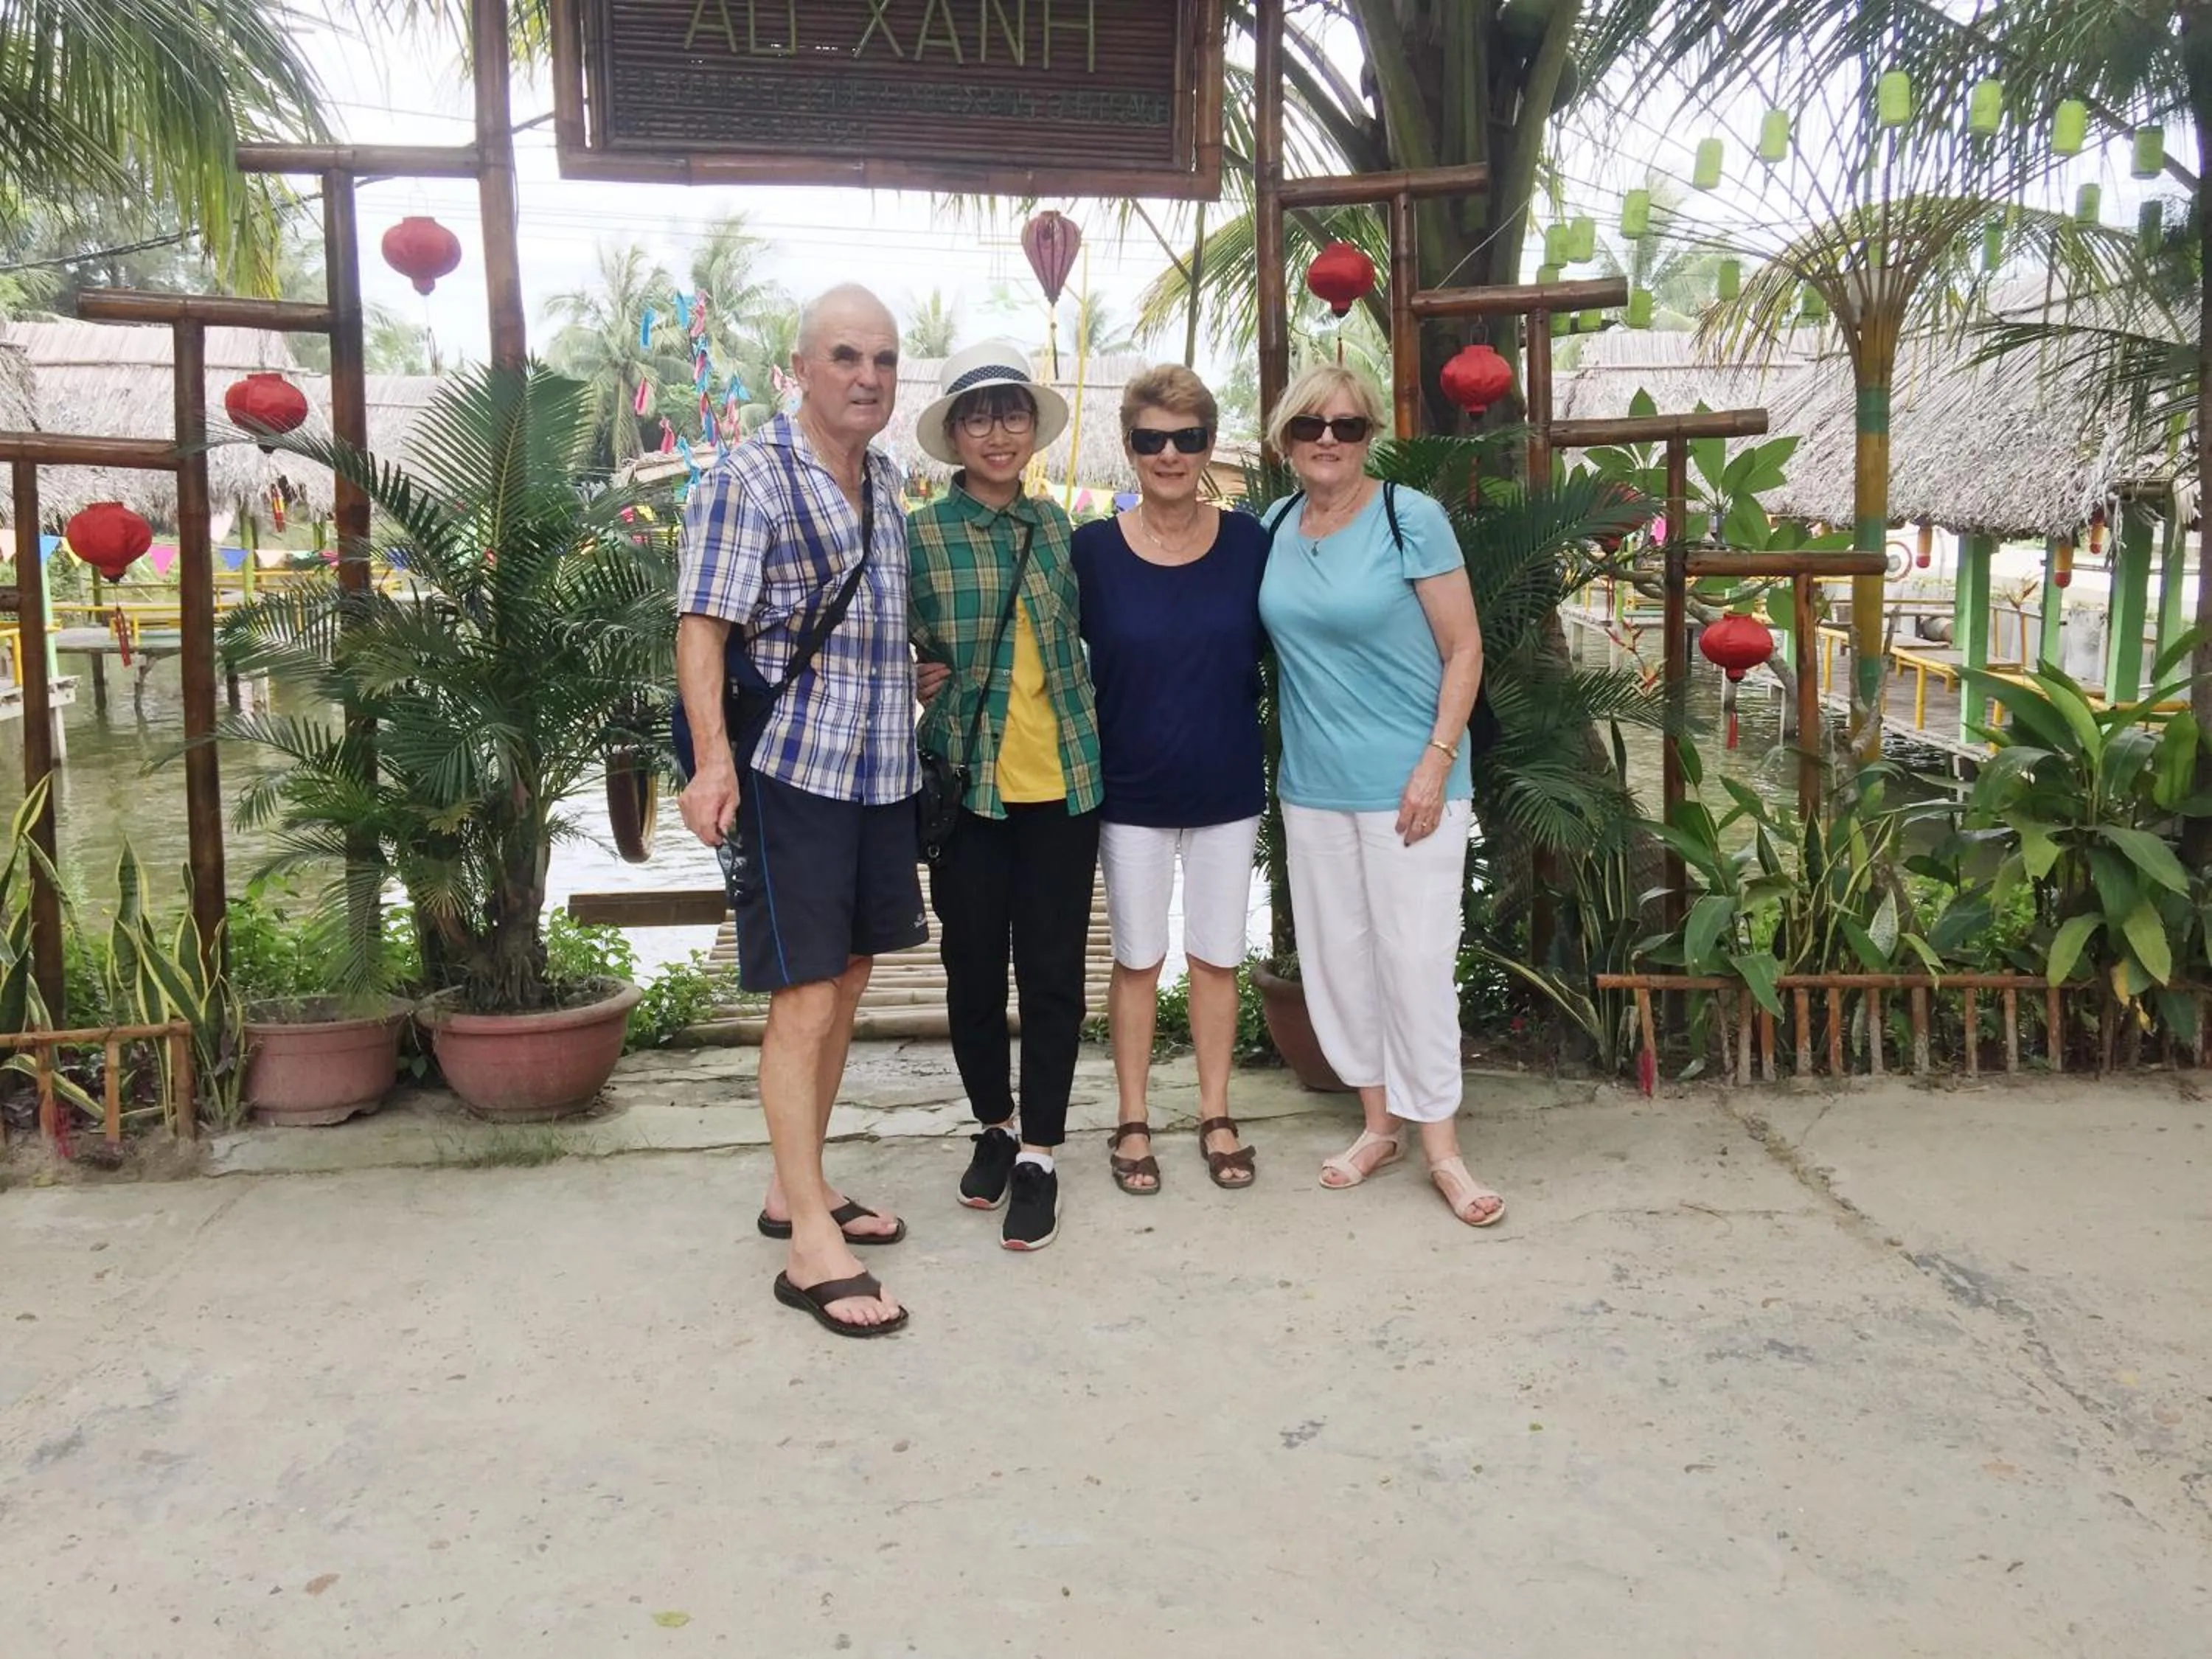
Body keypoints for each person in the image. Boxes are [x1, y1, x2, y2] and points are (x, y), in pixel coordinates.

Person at [675, 283, 925, 1338]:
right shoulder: (748, 477)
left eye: (883, 359)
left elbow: (871, 619)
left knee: (853, 975)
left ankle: (798, 1188)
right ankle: (807, 1246)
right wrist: (711, 764)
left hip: (880, 770)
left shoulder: (888, 479)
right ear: (802, 367)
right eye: (845, 356)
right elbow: (702, 631)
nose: (867, 376)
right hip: (790, 772)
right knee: (805, 995)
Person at [1256, 362, 1505, 1228]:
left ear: (1369, 439)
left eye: (1349, 426)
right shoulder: (1276, 525)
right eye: (1310, 426)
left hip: (1412, 786)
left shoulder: (1412, 518)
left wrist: (1436, 763)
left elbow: (1465, 649)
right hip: (1313, 788)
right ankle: (1377, 1125)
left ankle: (1443, 1147)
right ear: (1284, 438)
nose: (1328, 439)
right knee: (1336, 961)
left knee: (1416, 962)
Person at [908, 342, 1102, 1252]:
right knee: (973, 971)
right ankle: (994, 1123)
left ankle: (1044, 1153)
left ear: (1032, 428)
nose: (997, 431)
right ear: (953, 433)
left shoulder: (1061, 528)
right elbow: (877, 641)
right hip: (967, 785)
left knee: (1056, 976)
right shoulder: (917, 536)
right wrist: (910, 670)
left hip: (1064, 780)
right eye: (978, 415)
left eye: (1012, 413)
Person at [1070, 366, 1268, 1196]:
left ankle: (1217, 1112)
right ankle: (1133, 1115)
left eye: (1186, 439)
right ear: (1129, 448)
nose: (1170, 454)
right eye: (1151, 439)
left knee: (1217, 958)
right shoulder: (1091, 553)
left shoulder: (1253, 543)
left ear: (1209, 446)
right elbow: (1033, 647)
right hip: (1132, 792)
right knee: (1139, 959)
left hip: (1226, 786)